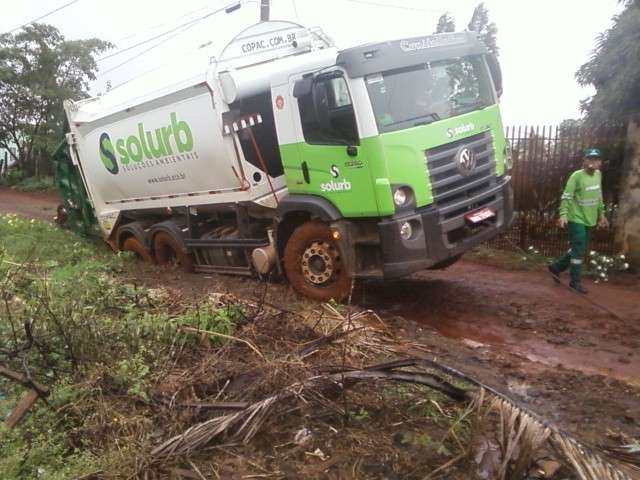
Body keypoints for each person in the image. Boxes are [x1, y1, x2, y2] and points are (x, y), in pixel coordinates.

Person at [548, 148, 609, 293]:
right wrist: (563, 214)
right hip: (576, 218)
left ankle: (555, 267)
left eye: (596, 159)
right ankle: (574, 282)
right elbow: (567, 196)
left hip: (590, 219)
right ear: (585, 161)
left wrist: (602, 214)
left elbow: (598, 196)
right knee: (579, 249)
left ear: (600, 162)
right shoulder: (576, 176)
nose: (593, 162)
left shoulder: (598, 175)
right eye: (590, 159)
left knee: (578, 247)